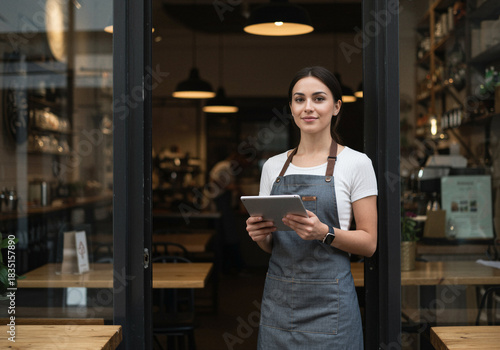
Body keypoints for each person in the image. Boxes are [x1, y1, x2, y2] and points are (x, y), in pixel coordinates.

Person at [245, 66, 378, 349]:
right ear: (291, 107)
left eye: (319, 98)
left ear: (337, 106)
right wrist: (261, 236)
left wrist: (324, 232)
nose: (308, 107)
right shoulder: (272, 167)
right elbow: (272, 246)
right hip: (278, 305)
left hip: (331, 307)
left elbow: (368, 243)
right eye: (299, 99)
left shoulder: (357, 164)